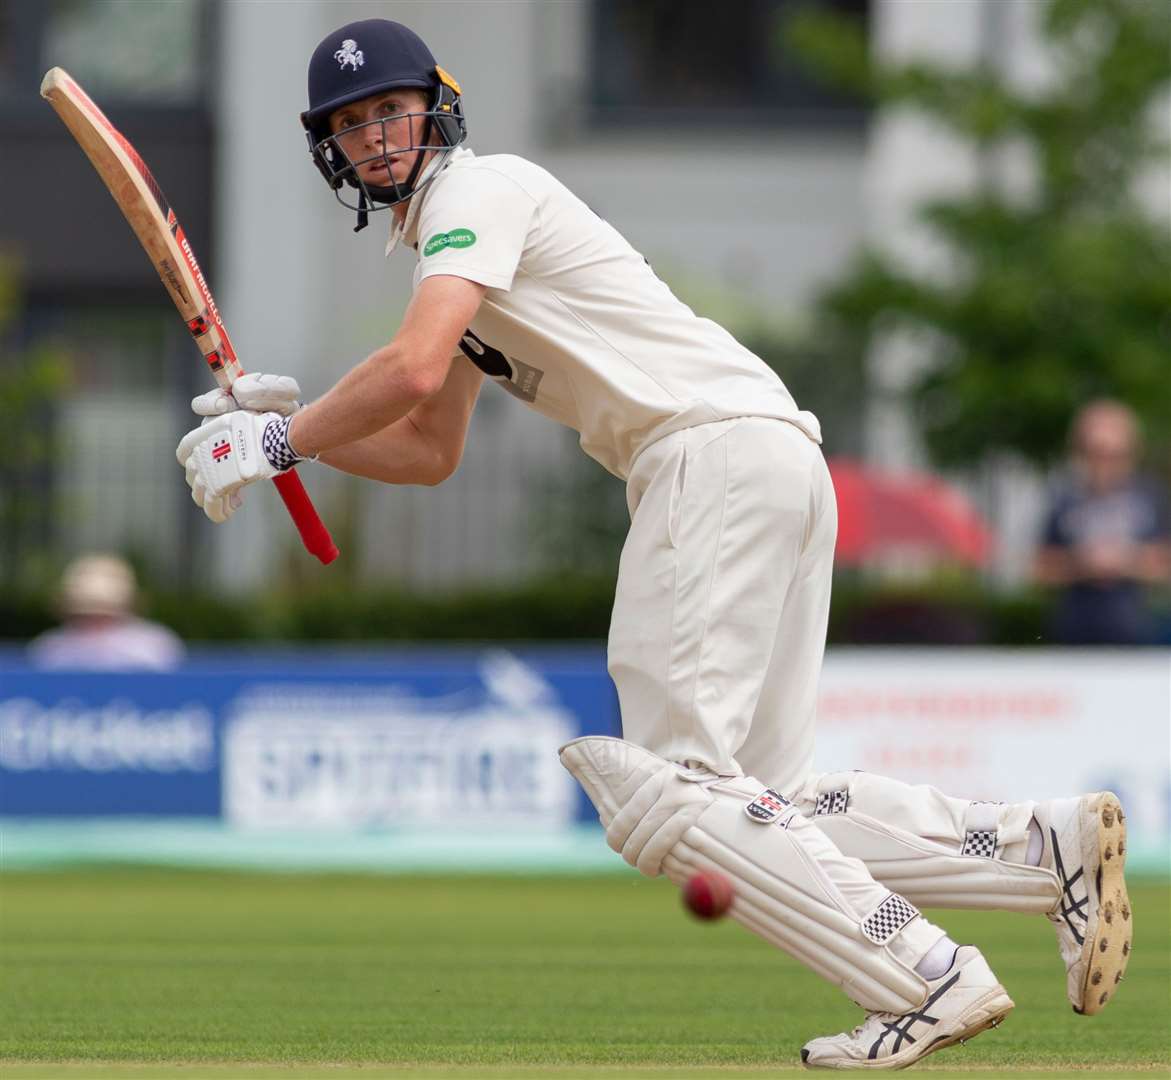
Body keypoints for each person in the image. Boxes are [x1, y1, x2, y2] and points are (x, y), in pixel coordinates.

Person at [175, 20, 1131, 1069]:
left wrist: (270, 442)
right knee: (767, 800)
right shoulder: (455, 247)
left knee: (667, 790)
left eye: (389, 108)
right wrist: (295, 432)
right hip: (764, 454)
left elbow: (407, 370)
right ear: (332, 150)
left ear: (436, 106)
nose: (375, 136)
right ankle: (1041, 851)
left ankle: (926, 975)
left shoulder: (476, 193)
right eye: (351, 123)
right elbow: (426, 445)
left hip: (707, 461)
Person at [1035, 400, 1171, 645]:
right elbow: (1041, 568)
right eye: (1096, 453)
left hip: (1137, 634)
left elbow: (1164, 563)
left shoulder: (1151, 498)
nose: (1104, 464)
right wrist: (1082, 562)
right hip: (1073, 634)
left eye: (1114, 455)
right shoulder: (1064, 499)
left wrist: (1125, 560)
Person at [27, 553, 185, 671]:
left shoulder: (154, 644)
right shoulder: (50, 648)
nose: (94, 622)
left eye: (103, 614)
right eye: (86, 615)